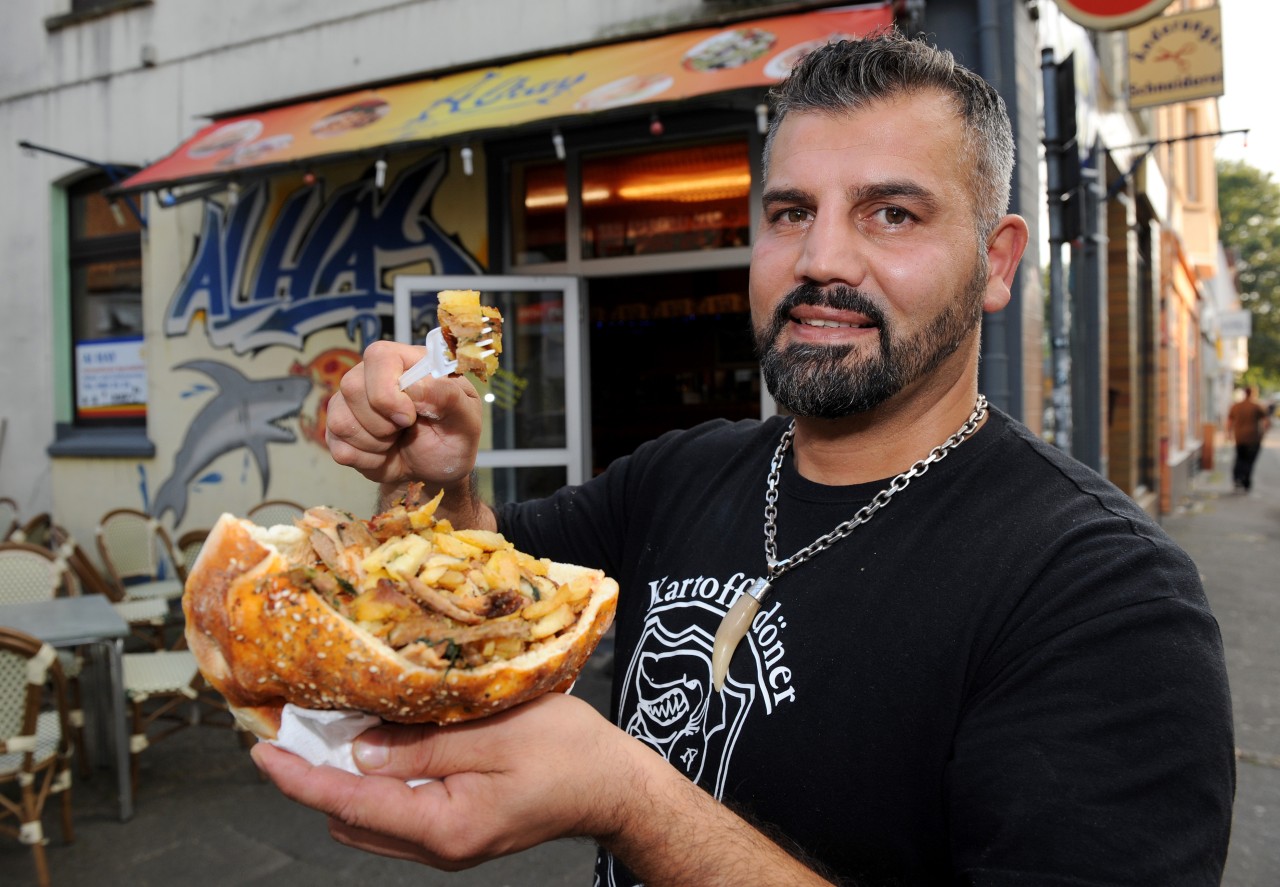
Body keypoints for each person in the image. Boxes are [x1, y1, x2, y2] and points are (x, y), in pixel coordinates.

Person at [253, 32, 1235, 885]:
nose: (819, 259)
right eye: (788, 211)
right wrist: (430, 474)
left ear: (998, 260)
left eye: (890, 213)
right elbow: (480, 600)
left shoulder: (1105, 596)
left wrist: (633, 801)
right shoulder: (677, 474)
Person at [1226, 385, 1270, 491]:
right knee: (1250, 461)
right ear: (1253, 393)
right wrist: (1263, 433)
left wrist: (1228, 434)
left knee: (1240, 458)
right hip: (1253, 438)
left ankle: (1237, 479)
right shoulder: (1257, 406)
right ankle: (1246, 481)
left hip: (1239, 437)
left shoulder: (1236, 406)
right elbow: (1266, 422)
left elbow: (1229, 422)